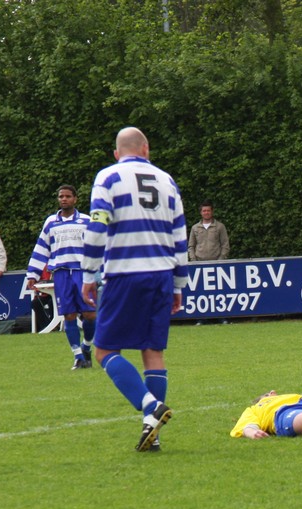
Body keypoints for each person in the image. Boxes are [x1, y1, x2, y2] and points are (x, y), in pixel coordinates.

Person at [81, 127, 187, 452]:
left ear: (116, 153)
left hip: (125, 273)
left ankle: (149, 406)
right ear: (146, 149)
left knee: (103, 350)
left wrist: (88, 273)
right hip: (161, 275)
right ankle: (154, 432)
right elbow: (180, 237)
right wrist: (179, 284)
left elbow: (97, 226)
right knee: (152, 351)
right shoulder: (167, 181)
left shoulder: (108, 177)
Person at [27, 184, 96, 369]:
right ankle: (78, 356)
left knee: (90, 314)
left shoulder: (86, 221)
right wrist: (33, 274)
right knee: (69, 314)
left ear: (75, 199)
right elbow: (41, 248)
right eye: (61, 196)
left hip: (82, 272)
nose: (64, 199)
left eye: (67, 196)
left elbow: (97, 246)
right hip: (61, 273)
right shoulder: (51, 222)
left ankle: (86, 346)